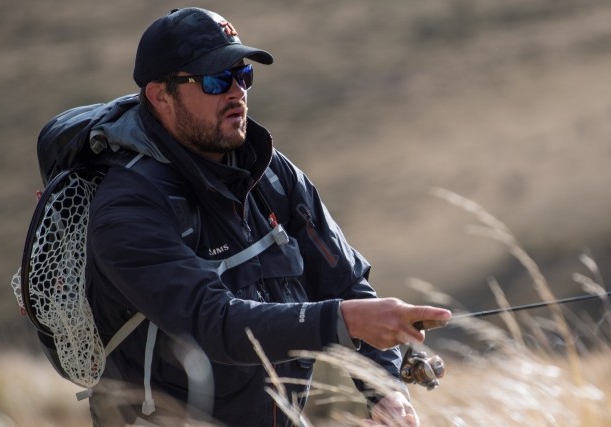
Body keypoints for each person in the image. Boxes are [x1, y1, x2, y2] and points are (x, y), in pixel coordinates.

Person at [78, 7, 451, 426]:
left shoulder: (272, 172)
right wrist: (341, 321)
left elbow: (344, 282)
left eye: (243, 74)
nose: (236, 90)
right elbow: (211, 323)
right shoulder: (128, 208)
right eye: (216, 79)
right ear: (160, 95)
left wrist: (384, 390)